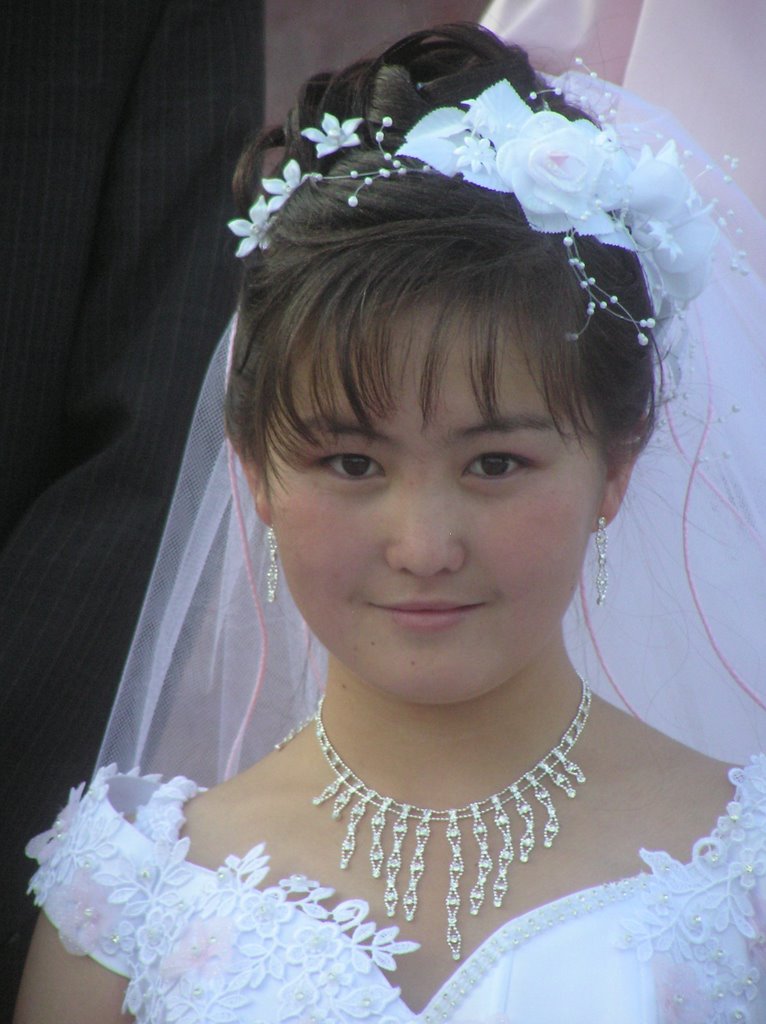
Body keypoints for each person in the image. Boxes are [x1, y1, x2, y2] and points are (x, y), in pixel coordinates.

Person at [13, 23, 766, 1023]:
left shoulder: (743, 879)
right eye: (351, 462)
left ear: (615, 465)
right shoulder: (123, 903)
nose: (422, 546)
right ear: (256, 468)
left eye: (495, 462)